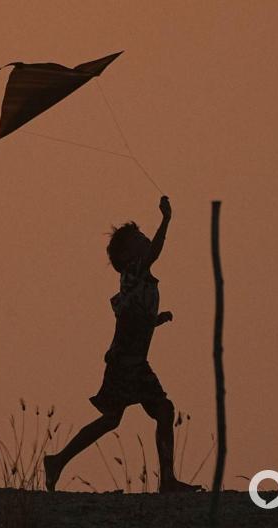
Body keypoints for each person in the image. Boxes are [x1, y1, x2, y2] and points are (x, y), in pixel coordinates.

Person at [43, 196, 201, 493]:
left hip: (133, 362)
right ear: (129, 255)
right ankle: (58, 461)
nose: (145, 240)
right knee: (136, 415)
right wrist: (166, 219)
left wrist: (157, 319)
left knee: (147, 413)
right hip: (125, 362)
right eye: (140, 238)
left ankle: (59, 461)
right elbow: (154, 252)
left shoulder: (138, 281)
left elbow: (132, 318)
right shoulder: (135, 271)